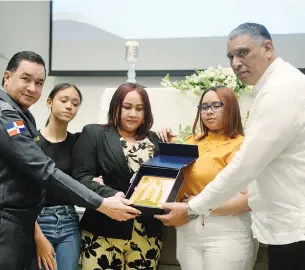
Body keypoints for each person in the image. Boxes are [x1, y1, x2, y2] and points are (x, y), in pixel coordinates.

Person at [155, 23, 305, 270]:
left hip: (291, 227)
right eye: (231, 56)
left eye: (243, 53)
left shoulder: (281, 90)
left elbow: (244, 167)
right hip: (282, 225)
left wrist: (192, 209)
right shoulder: (273, 87)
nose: (235, 63)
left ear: (268, 48)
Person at [0, 51, 140, 270]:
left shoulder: (18, 115)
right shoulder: (4, 117)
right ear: (7, 77)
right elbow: (45, 171)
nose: (32, 88)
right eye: (25, 79)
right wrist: (101, 203)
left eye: (39, 82)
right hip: (1, 226)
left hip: (26, 225)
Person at [72, 83, 164, 270]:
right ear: (116, 107)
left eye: (140, 109)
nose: (133, 114)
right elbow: (81, 176)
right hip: (102, 231)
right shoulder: (94, 133)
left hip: (146, 233)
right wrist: (110, 192)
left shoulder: (154, 140)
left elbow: (162, 182)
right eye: (127, 107)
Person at [173, 85, 257, 270]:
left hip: (226, 231)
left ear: (231, 107)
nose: (209, 112)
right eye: (204, 107)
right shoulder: (191, 142)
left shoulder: (243, 145)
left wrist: (200, 204)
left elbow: (249, 199)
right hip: (188, 229)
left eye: (216, 105)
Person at [29, 83, 102, 270]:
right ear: (49, 102)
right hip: (37, 221)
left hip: (69, 221)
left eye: (75, 103)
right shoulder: (31, 143)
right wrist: (37, 236)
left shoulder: (79, 142)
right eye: (64, 100)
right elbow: (22, 193)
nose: (69, 106)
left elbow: (84, 176)